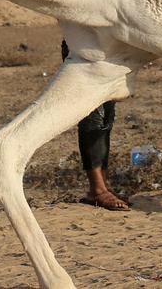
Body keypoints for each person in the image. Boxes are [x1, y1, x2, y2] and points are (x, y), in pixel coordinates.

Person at [61, 40, 129, 210]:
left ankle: (101, 188)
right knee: (94, 118)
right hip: (84, 49)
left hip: (106, 48)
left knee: (106, 119)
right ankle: (97, 190)